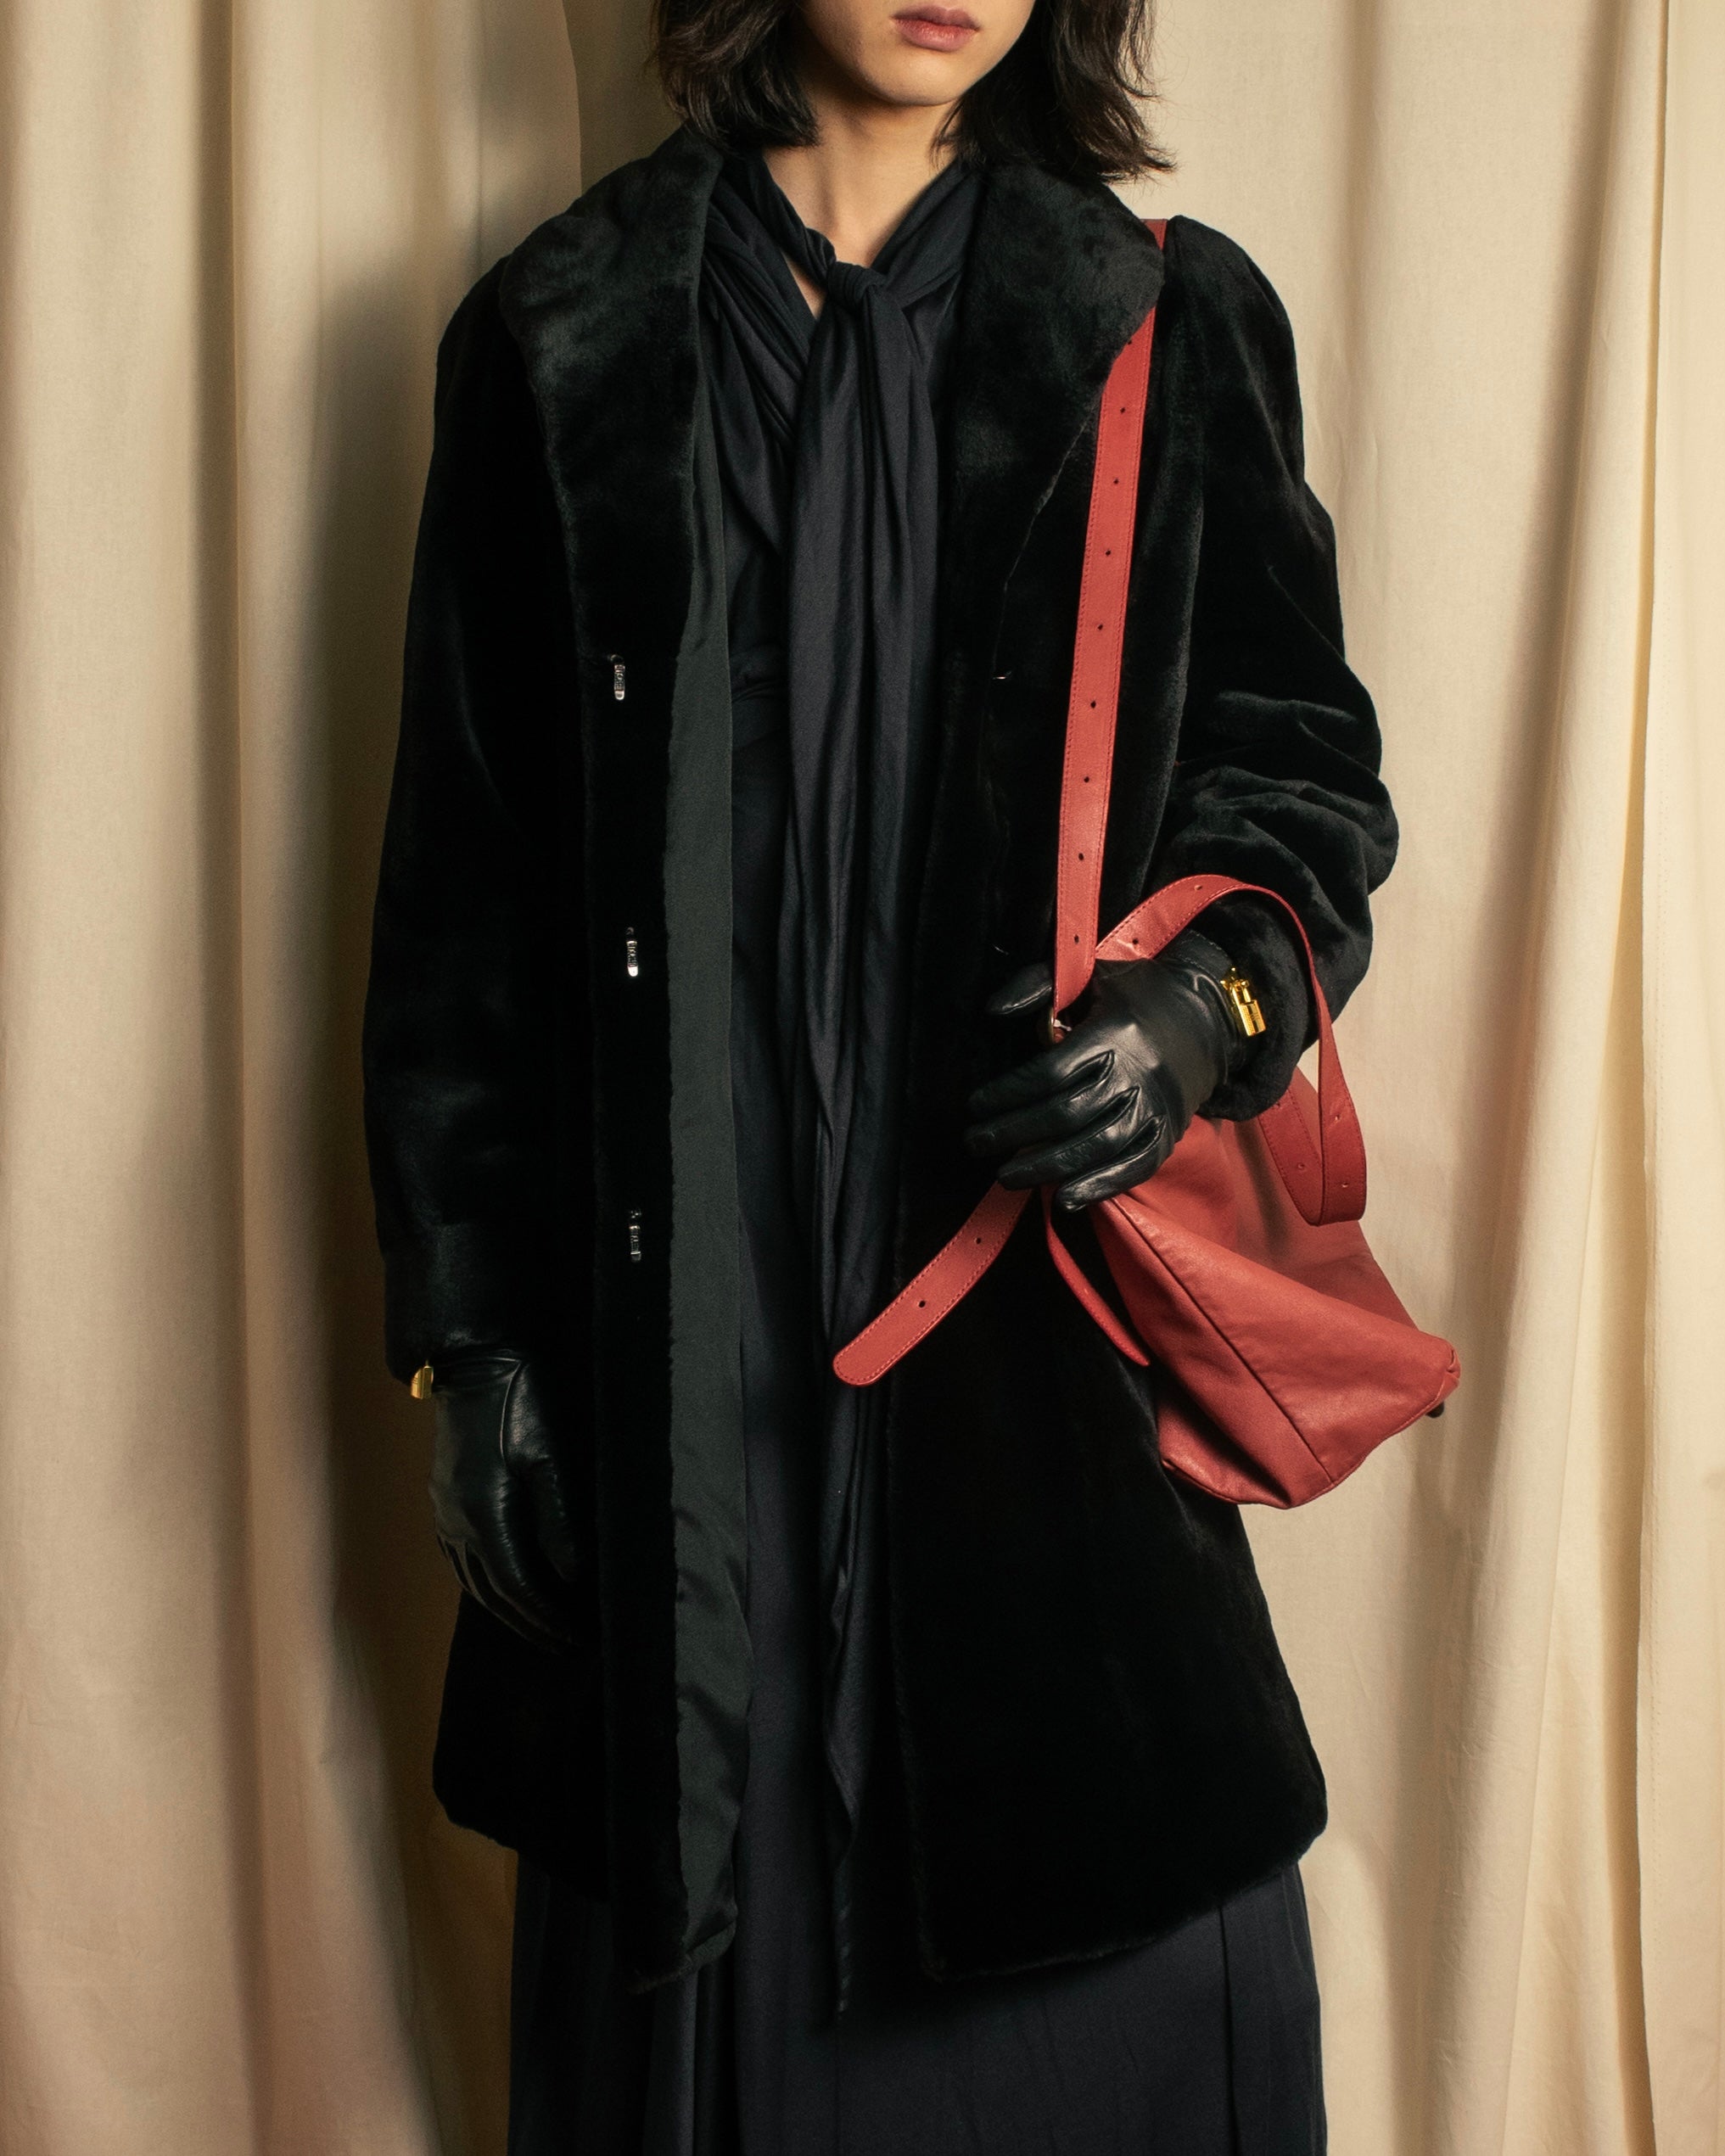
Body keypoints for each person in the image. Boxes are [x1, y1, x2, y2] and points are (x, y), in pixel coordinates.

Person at [361, 0, 1397, 2140]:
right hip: (680, 1328)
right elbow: (467, 890)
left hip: (1030, 1328)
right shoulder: (557, 336)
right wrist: (474, 1340)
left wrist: (1194, 1014)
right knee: (704, 1919)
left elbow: (1301, 778)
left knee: (1100, 1947)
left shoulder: (1160, 319)